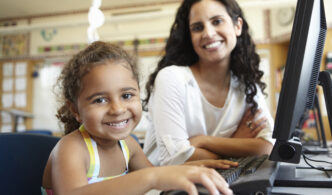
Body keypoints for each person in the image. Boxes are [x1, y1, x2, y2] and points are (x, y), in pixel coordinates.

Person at [41, 41, 234, 195]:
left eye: (126, 95)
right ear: (75, 110)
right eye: (100, 100)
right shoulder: (71, 149)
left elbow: (157, 179)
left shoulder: (128, 145)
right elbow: (150, 178)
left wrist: (192, 168)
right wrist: (151, 177)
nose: (117, 109)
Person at [143, 0, 274, 166]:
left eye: (217, 21)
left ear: (237, 26)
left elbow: (267, 146)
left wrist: (203, 141)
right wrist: (237, 142)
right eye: (198, 27)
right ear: (189, 37)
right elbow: (175, 158)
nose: (208, 33)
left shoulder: (248, 86)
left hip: (217, 184)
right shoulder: (171, 78)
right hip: (166, 189)